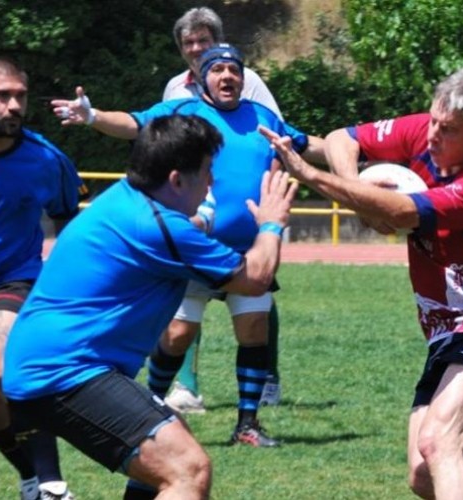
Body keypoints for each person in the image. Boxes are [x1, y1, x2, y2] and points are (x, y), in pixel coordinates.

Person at [263, 67, 463, 500]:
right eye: (433, 120)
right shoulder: (429, 129)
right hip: (446, 326)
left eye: (447, 130)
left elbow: (399, 213)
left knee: (440, 443)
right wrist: (355, 185)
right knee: (422, 474)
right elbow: (342, 138)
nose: (432, 135)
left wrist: (314, 176)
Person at [2, 114, 297, 499]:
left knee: (166, 448)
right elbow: (253, 277)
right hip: (64, 372)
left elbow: (182, 230)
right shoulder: (157, 227)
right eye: (208, 171)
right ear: (176, 179)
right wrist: (272, 224)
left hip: (52, 364)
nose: (212, 182)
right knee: (187, 470)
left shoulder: (128, 201)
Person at [50, 44, 326, 447]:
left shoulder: (264, 118)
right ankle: (152, 407)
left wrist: (356, 150)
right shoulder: (184, 112)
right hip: (192, 249)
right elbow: (134, 123)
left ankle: (247, 425)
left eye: (234, 70)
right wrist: (92, 116)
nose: (228, 76)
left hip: (249, 251)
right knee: (178, 334)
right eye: (219, 70)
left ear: (243, 78)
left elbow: (305, 145)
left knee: (253, 331)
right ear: (203, 79)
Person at [162, 5, 286, 415]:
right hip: (195, 232)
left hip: (245, 235)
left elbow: (275, 139)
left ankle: (261, 391)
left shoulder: (248, 84)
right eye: (189, 43)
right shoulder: (174, 92)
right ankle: (181, 388)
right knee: (179, 328)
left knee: (254, 319)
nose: (196, 49)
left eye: (203, 42)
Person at [0, 56, 82, 500]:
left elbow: (69, 222)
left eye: (20, 96)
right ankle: (29, 476)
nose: (13, 106)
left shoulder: (47, 159)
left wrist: (63, 288)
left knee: (3, 367)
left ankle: (50, 485)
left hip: (12, 280)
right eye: (2, 96)